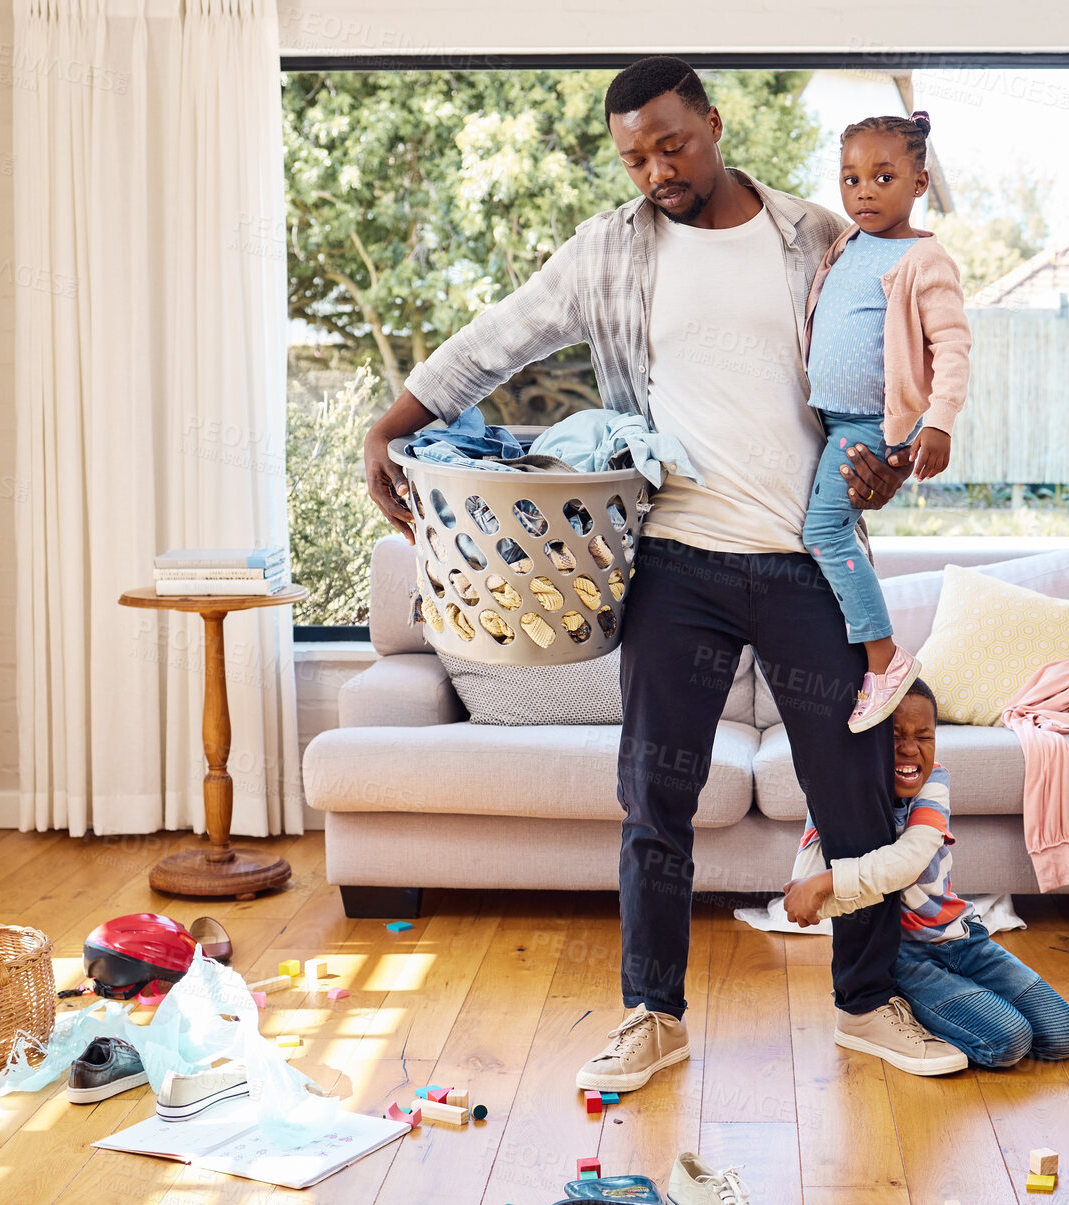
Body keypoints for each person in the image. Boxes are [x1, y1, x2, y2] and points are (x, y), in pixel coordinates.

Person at [362, 57, 966, 1090]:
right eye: (634, 155)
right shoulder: (610, 251)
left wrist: (885, 469)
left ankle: (869, 1002)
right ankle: (654, 1013)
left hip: (808, 560)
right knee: (655, 798)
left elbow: (891, 367)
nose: (655, 170)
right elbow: (495, 339)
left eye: (672, 144)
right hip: (675, 561)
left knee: (858, 791)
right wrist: (392, 423)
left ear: (716, 125)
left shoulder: (818, 236)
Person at [783, 680, 1069, 1068]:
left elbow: (907, 863)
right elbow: (810, 899)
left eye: (924, 736)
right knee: (1009, 1042)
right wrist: (820, 891)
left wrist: (825, 884)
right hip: (906, 957)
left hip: (962, 938)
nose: (910, 748)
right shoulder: (838, 797)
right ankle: (911, 1006)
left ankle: (962, 1000)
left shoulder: (934, 782)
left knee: (1064, 1033)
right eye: (894, 736)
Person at [801, 113, 971, 732]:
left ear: (919, 183)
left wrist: (939, 421)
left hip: (870, 423)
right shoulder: (846, 242)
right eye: (850, 179)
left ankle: (884, 658)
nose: (864, 191)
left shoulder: (925, 258)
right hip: (827, 419)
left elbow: (952, 345)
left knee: (824, 532)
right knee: (823, 533)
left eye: (882, 176)